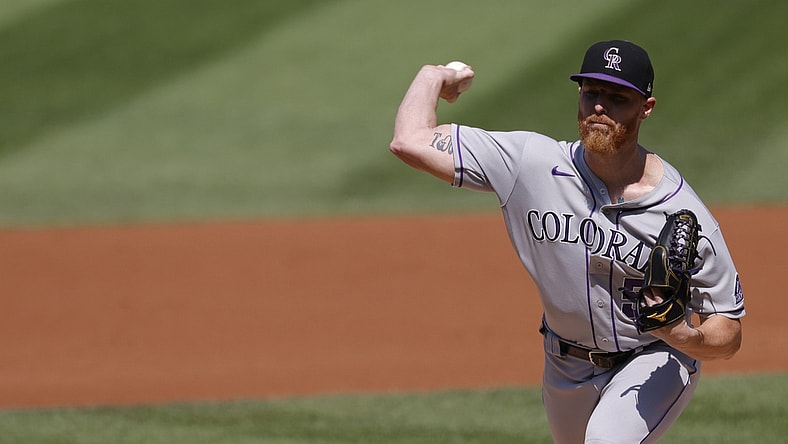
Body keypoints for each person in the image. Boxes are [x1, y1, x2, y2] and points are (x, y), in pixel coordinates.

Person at [389, 40, 745, 443]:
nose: (600, 107)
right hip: (564, 367)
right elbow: (410, 141)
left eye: (617, 97)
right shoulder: (530, 163)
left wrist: (687, 338)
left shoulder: (684, 213)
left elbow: (728, 330)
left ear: (646, 107)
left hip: (654, 358)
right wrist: (433, 76)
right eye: (592, 92)